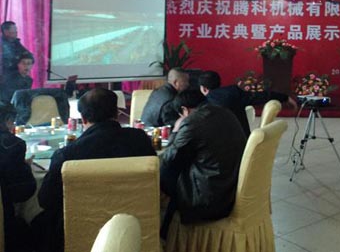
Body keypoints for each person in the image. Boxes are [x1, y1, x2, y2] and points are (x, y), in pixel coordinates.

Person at [33, 88, 156, 252]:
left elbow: (45, 200)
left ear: (83, 118)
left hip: (78, 234)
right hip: (134, 230)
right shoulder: (140, 140)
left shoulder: (68, 155)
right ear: (116, 113)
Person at [159, 90, 246, 239]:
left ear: (185, 110)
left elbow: (169, 158)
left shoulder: (193, 121)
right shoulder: (225, 112)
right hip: (232, 187)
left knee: (163, 173)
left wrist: (176, 130)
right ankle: (167, 229)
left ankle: (165, 232)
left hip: (210, 198)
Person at [197, 70, 297, 137]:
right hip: (243, 144)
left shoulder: (203, 107)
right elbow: (261, 96)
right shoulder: (235, 93)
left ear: (203, 88)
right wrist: (285, 97)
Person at [0, 104, 36, 252]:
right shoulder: (14, 145)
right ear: (8, 121)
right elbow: (23, 191)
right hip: (5, 218)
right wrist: (25, 166)